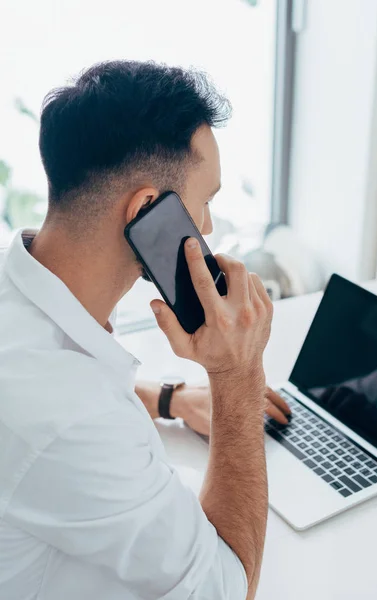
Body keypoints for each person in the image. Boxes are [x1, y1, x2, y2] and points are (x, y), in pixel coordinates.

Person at [0, 61, 290, 600]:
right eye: (205, 204)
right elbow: (227, 586)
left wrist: (168, 400)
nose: (205, 228)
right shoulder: (70, 416)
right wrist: (238, 375)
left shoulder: (20, 297)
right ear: (149, 210)